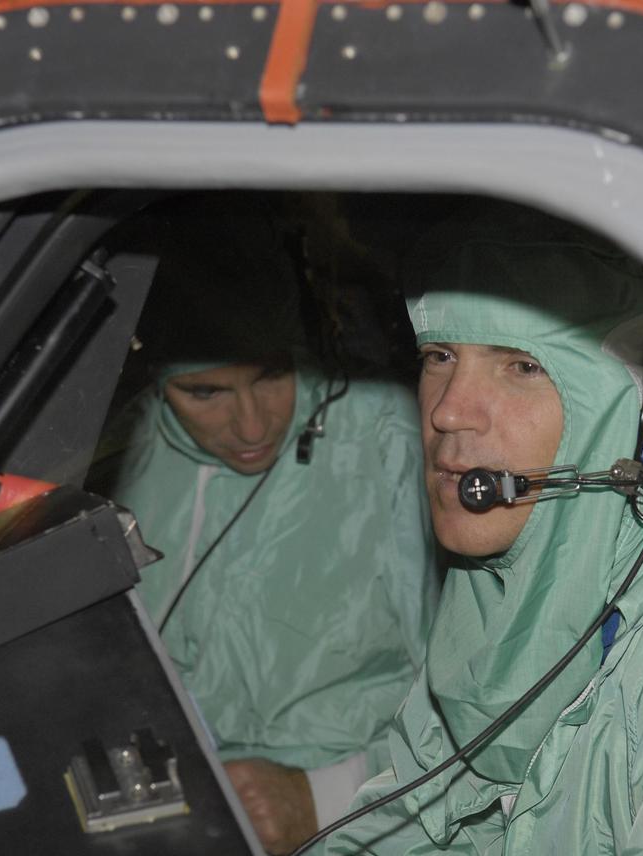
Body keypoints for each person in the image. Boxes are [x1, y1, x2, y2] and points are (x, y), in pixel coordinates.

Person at [326, 203, 643, 854]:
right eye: (439, 355)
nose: (447, 412)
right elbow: (411, 820)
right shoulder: (494, 591)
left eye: (521, 366)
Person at [91, 201, 438, 855]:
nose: (252, 428)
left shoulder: (391, 441)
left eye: (273, 376)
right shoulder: (116, 459)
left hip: (368, 817)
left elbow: (474, 705)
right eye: (206, 393)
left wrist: (325, 795)